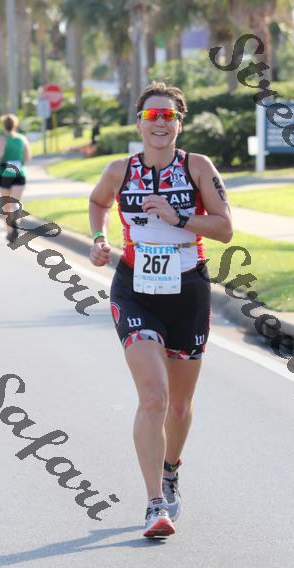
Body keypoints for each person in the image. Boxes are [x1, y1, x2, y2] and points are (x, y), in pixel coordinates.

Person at [89, 81, 233, 538]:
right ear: (139, 123)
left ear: (179, 123)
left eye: (168, 116)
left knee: (181, 404)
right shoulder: (120, 170)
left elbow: (225, 228)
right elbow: (97, 202)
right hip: (134, 289)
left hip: (188, 289)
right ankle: (155, 504)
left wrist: (178, 216)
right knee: (154, 397)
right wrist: (99, 238)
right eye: (152, 116)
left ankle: (171, 470)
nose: (159, 123)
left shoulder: (197, 167)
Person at [0, 114, 31, 242]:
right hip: (20, 173)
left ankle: (9, 231)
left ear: (3, 125)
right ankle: (16, 222)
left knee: (6, 205)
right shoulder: (22, 138)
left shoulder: (2, 139)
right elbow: (27, 157)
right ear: (15, 125)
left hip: (4, 174)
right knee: (16, 202)